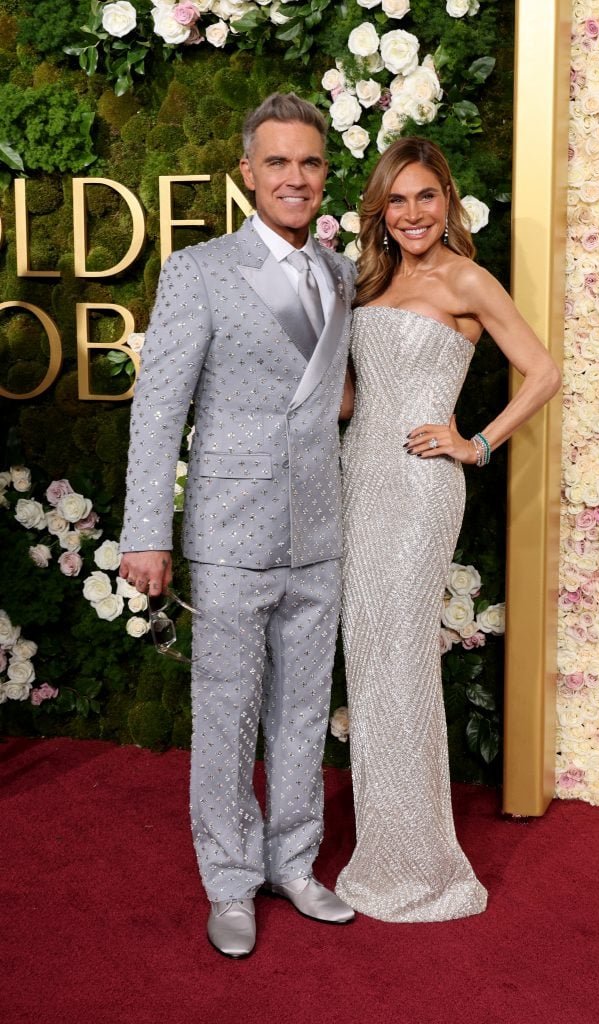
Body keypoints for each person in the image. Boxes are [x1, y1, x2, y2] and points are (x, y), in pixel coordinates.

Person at [118, 92, 356, 958]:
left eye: (310, 163)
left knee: (301, 713)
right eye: (279, 163)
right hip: (228, 528)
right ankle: (229, 880)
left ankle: (293, 864)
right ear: (246, 174)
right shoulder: (200, 269)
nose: (295, 178)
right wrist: (147, 530)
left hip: (318, 529)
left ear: (324, 174)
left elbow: (336, 399)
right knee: (225, 711)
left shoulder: (337, 271)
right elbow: (158, 411)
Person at [335, 137, 561, 922]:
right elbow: (352, 400)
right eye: (395, 200)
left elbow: (543, 369)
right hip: (357, 482)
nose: (410, 213)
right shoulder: (371, 280)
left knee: (399, 663)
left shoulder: (465, 277)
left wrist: (476, 443)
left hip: (420, 491)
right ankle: (382, 851)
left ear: (446, 200)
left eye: (423, 196)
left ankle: (422, 865)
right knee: (368, 665)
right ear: (380, 210)